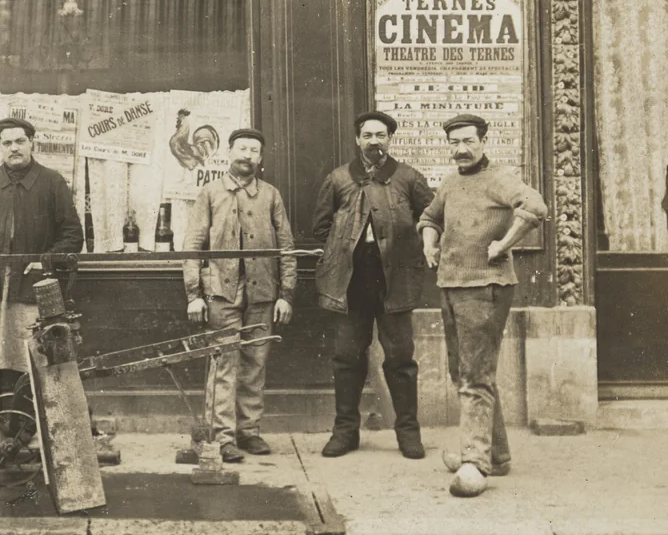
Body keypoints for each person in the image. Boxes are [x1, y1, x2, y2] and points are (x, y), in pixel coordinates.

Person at [418, 113, 547, 498]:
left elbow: (536, 208)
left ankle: (475, 461)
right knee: (466, 373)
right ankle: (497, 454)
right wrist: (429, 241)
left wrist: (504, 244)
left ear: (483, 141)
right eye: (454, 142)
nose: (460, 149)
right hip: (452, 285)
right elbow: (430, 216)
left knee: (474, 376)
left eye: (468, 141)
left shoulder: (501, 178)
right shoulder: (451, 183)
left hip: (486, 287)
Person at [312, 111, 434, 460]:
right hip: (351, 283)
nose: (374, 142)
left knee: (400, 358)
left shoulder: (409, 178)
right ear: (357, 140)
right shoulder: (338, 179)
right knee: (347, 357)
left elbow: (431, 219)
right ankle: (345, 432)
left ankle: (408, 434)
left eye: (381, 135)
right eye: (367, 135)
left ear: (390, 140)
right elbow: (321, 228)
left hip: (394, 281)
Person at [0, 116, 84, 423]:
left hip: (32, 289)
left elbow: (72, 235)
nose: (14, 148)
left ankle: (25, 429)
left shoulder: (52, 182)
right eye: (7, 143)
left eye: (20, 141)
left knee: (29, 359)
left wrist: (46, 260)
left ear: (32, 144)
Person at [183, 127, 296, 463]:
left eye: (254, 150)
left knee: (255, 363)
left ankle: (249, 432)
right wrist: (194, 293)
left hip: (262, 293)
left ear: (260, 158)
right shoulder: (210, 192)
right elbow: (193, 246)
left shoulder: (271, 195)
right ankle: (222, 438)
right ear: (229, 152)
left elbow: (286, 247)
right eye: (242, 148)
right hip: (221, 293)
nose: (248, 155)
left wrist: (286, 294)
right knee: (223, 364)